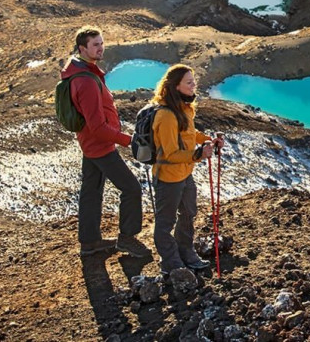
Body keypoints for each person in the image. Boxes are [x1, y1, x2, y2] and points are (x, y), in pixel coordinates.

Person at [62, 26, 149, 258]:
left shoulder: (83, 71)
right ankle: (127, 239)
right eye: (95, 45)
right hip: (100, 146)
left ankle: (89, 242)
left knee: (91, 191)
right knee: (131, 189)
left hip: (91, 144)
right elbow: (97, 127)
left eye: (101, 43)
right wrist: (128, 140)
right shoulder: (87, 82)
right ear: (83, 48)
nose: (100, 48)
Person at [151, 63, 225, 275]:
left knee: (188, 213)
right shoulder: (165, 115)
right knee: (165, 222)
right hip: (168, 177)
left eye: (194, 82)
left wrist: (209, 140)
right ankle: (171, 262)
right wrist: (198, 154)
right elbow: (170, 154)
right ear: (176, 87)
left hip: (185, 173)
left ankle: (186, 251)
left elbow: (190, 134)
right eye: (189, 83)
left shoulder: (184, 108)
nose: (194, 86)